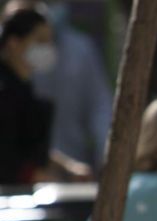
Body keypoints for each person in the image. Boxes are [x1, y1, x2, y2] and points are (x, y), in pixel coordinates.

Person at [6, 0, 110, 173]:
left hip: (74, 167)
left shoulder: (81, 51)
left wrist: (105, 155)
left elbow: (100, 109)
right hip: (21, 180)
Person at [0, 6, 87, 183]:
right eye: (40, 41)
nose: (47, 48)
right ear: (14, 43)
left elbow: (28, 146)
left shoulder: (24, 88)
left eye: (49, 41)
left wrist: (67, 167)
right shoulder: (5, 92)